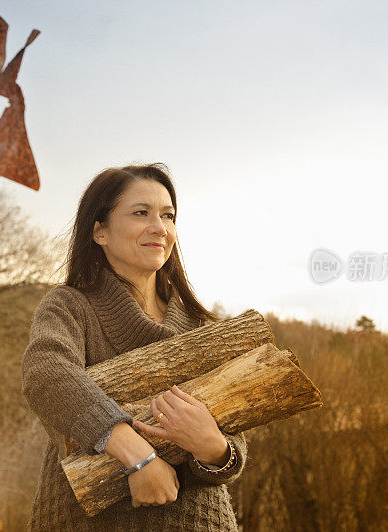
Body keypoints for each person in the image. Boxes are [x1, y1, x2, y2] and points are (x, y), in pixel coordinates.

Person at [21, 163, 247, 531]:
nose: (160, 227)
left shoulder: (200, 325)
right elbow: (46, 375)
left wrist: (211, 445)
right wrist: (138, 456)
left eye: (168, 215)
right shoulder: (69, 306)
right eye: (141, 213)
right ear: (100, 231)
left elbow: (232, 453)